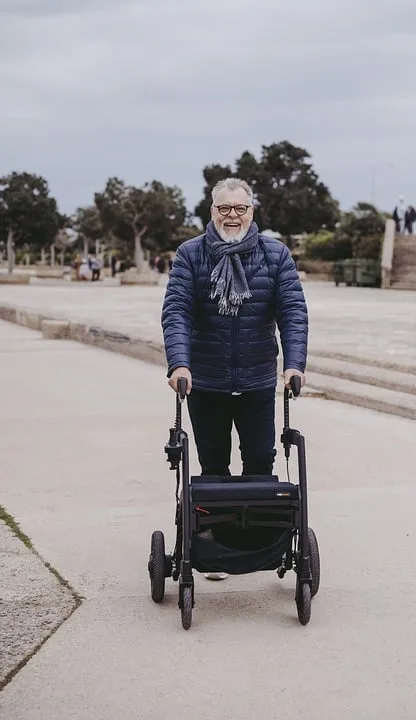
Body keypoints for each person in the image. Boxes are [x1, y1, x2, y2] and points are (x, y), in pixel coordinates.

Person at [161, 177, 308, 580]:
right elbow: (177, 312)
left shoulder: (275, 255)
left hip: (258, 379)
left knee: (261, 460)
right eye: (224, 209)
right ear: (212, 211)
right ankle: (216, 549)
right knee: (213, 467)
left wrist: (294, 364)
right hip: (205, 381)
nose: (232, 216)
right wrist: (179, 363)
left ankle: (258, 544)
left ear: (251, 212)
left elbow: (292, 312)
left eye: (240, 209)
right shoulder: (191, 255)